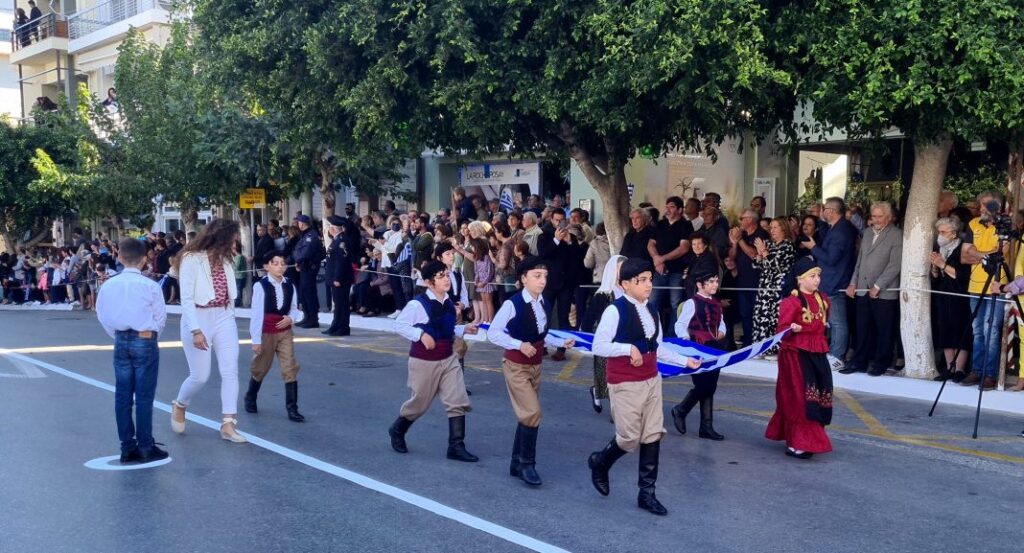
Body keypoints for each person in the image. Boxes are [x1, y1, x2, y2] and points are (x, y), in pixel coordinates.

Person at [587, 258, 701, 515]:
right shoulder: (615, 311)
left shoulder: (652, 310)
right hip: (625, 382)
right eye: (641, 280)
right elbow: (598, 346)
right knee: (628, 438)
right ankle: (600, 462)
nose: (648, 285)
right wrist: (628, 348)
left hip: (651, 379)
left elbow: (656, 346)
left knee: (652, 434)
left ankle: (647, 493)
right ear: (625, 284)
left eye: (650, 279)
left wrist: (685, 360)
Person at [487, 256, 575, 486]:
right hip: (515, 365)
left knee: (527, 414)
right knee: (532, 412)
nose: (542, 280)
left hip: (536, 365)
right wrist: (518, 344)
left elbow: (541, 334)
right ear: (523, 278)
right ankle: (527, 464)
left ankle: (516, 462)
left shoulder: (543, 302)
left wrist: (559, 342)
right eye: (537, 276)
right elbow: (493, 333)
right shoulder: (512, 303)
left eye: (545, 276)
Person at [388, 261, 480, 462]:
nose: (446, 278)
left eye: (446, 274)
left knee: (457, 400)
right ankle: (397, 429)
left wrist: (464, 329)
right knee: (419, 403)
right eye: (440, 276)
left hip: (448, 358)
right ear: (429, 283)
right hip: (424, 361)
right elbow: (399, 325)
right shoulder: (418, 304)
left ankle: (456, 446)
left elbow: (445, 330)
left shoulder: (448, 301)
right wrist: (420, 334)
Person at [170, 219, 247, 444]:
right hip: (198, 318)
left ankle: (229, 423)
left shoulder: (226, 259)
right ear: (222, 237)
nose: (236, 242)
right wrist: (196, 330)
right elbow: (186, 299)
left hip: (223, 316)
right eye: (233, 238)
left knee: (230, 370)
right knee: (200, 376)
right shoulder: (191, 259)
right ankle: (180, 404)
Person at [96, 238, 169, 464]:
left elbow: (103, 315)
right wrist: (149, 334)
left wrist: (118, 335)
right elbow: (160, 319)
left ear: (119, 257)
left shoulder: (108, 285)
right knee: (144, 396)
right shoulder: (150, 285)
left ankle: (127, 447)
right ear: (145, 259)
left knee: (123, 395)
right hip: (145, 339)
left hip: (120, 339)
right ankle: (146, 445)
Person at [766, 257, 834, 459]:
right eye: (812, 276)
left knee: (819, 393)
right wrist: (790, 329)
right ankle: (799, 441)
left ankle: (805, 440)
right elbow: (781, 330)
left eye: (818, 276)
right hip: (795, 354)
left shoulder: (823, 300)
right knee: (800, 398)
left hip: (817, 351)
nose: (817, 280)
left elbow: (823, 323)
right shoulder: (791, 302)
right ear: (800, 279)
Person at [841, 201, 903, 376]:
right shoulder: (867, 233)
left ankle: (881, 362)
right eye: (873, 216)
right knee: (862, 327)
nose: (876, 220)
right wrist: (853, 283)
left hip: (884, 291)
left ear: (889, 217)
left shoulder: (897, 235)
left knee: (883, 329)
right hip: (863, 287)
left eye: (880, 216)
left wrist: (878, 285)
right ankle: (859, 362)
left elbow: (895, 265)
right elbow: (860, 261)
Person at [244, 252, 306, 422]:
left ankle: (292, 408)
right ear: (267, 266)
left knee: (290, 367)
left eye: (283, 263)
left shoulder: (289, 285)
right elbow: (256, 314)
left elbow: (294, 308)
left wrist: (290, 318)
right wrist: (255, 340)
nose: (280, 266)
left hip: (285, 331)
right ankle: (250, 396)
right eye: (276, 263)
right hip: (266, 332)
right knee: (261, 367)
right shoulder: (261, 286)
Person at [960, 190, 1008, 390]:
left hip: (997, 286)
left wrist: (976, 253)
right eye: (980, 205)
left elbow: (1003, 255)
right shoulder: (972, 224)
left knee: (992, 331)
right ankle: (976, 371)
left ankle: (989, 374)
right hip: (975, 285)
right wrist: (987, 256)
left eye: (984, 205)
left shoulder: (1006, 225)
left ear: (996, 207)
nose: (980, 208)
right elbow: (964, 257)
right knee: (977, 330)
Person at [802, 196, 857, 368]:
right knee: (833, 321)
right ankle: (834, 352)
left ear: (831, 211)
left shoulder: (841, 231)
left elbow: (831, 258)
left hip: (835, 281)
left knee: (838, 322)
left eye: (825, 209)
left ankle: (837, 356)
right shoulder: (837, 227)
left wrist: (813, 248)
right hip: (831, 280)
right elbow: (826, 234)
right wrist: (820, 218)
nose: (823, 211)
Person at [670, 270, 727, 440]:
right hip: (697, 348)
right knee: (703, 385)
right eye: (710, 281)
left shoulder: (717, 303)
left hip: (714, 348)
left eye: (716, 281)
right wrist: (687, 341)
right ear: (700, 285)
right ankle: (681, 410)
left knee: (711, 386)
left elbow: (722, 323)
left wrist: (722, 332)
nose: (715, 284)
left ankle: (705, 426)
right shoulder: (691, 303)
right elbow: (680, 325)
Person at [581, 255, 626, 415]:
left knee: (621, 377)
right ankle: (598, 393)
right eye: (620, 268)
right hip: (606, 340)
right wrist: (584, 339)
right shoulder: (603, 294)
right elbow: (589, 319)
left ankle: (617, 411)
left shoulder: (629, 293)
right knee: (607, 374)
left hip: (624, 340)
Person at [930, 217, 972, 383]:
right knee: (945, 330)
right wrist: (934, 267)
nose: (939, 235)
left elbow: (962, 277)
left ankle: (960, 369)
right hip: (943, 296)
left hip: (959, 297)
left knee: (960, 330)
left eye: (943, 232)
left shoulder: (964, 249)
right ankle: (949, 368)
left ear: (953, 233)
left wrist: (942, 265)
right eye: (938, 232)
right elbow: (936, 277)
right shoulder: (939, 248)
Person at [648, 196, 693, 332]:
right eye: (667, 206)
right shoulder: (660, 224)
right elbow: (650, 244)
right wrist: (656, 258)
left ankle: (673, 334)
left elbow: (684, 248)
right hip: (659, 270)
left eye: (672, 206)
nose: (668, 209)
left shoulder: (686, 225)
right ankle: (651, 332)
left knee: (675, 303)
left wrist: (663, 259)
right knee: (653, 302)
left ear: (680, 210)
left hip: (677, 270)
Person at [751, 216, 797, 350]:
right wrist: (759, 254)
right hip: (765, 288)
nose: (772, 230)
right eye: (771, 227)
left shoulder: (788, 246)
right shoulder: (769, 245)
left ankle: (776, 349)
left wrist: (764, 251)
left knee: (775, 320)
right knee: (761, 318)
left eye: (775, 227)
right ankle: (760, 348)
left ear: (783, 228)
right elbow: (756, 266)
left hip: (778, 289)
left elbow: (775, 265)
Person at [729, 209, 769, 347]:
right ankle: (747, 343)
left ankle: (758, 344)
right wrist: (734, 242)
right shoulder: (743, 235)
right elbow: (732, 256)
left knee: (757, 315)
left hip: (757, 282)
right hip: (742, 281)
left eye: (742, 218)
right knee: (744, 314)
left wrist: (740, 240)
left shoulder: (761, 235)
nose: (740, 221)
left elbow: (753, 254)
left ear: (751, 220)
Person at [323, 216, 356, 336]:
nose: (328, 230)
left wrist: (337, 278)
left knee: (342, 303)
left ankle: (343, 327)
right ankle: (336, 325)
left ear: (334, 229)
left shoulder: (342, 241)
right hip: (335, 278)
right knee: (338, 303)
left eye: (330, 227)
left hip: (341, 279)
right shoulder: (337, 240)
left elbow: (341, 262)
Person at [291, 215, 324, 328]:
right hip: (304, 267)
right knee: (303, 293)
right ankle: (307, 316)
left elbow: (305, 253)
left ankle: (313, 319)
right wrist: (297, 260)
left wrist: (298, 260)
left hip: (310, 267)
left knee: (309, 293)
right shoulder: (304, 235)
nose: (297, 225)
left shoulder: (311, 235)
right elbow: (296, 251)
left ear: (303, 223)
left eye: (298, 222)